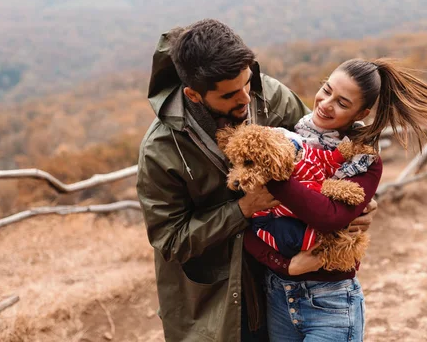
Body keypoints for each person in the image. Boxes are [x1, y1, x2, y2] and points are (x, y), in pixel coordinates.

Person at [136, 19, 377, 342]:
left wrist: (361, 202)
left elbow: (325, 152)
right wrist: (243, 209)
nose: (247, 98)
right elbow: (171, 241)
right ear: (194, 95)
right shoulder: (161, 150)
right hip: (214, 296)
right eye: (230, 95)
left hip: (281, 284)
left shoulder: (271, 96)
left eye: (248, 83)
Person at [243, 58, 427, 342]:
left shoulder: (363, 161)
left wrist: (271, 174)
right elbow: (250, 227)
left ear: (363, 112)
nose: (325, 103)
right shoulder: (290, 138)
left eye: (342, 103)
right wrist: (285, 266)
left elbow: (329, 217)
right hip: (278, 297)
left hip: (330, 305)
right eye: (326, 89)